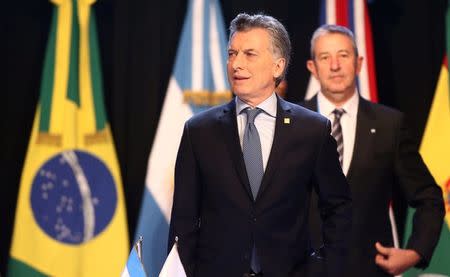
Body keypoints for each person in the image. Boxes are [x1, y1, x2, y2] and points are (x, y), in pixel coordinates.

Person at [168, 14, 352, 277]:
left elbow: (339, 208)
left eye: (249, 54)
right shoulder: (199, 131)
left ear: (278, 66)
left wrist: (324, 268)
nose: (236, 64)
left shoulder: (312, 130)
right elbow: (183, 222)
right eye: (232, 53)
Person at [302, 24, 445, 277]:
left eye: (343, 56)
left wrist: (415, 252)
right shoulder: (291, 123)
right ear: (312, 67)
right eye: (325, 57)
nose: (335, 65)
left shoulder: (389, 124)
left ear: (358, 63)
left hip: (369, 270)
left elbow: (428, 196)